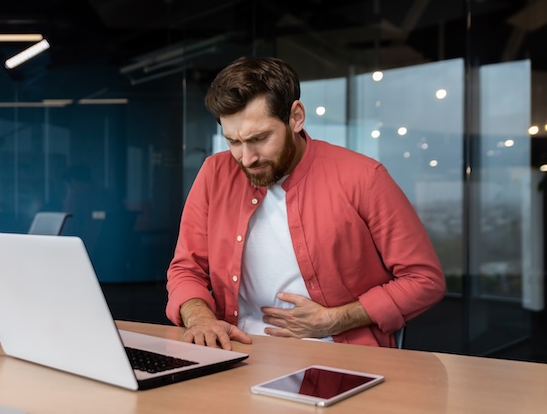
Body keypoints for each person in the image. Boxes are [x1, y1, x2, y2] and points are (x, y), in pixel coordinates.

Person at [165, 57, 446, 350]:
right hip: (235, 351)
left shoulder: (364, 177)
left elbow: (424, 280)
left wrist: (334, 319)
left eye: (259, 138)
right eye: (233, 141)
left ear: (296, 117)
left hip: (339, 354)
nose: (246, 158)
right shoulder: (214, 173)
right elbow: (186, 269)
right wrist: (200, 319)